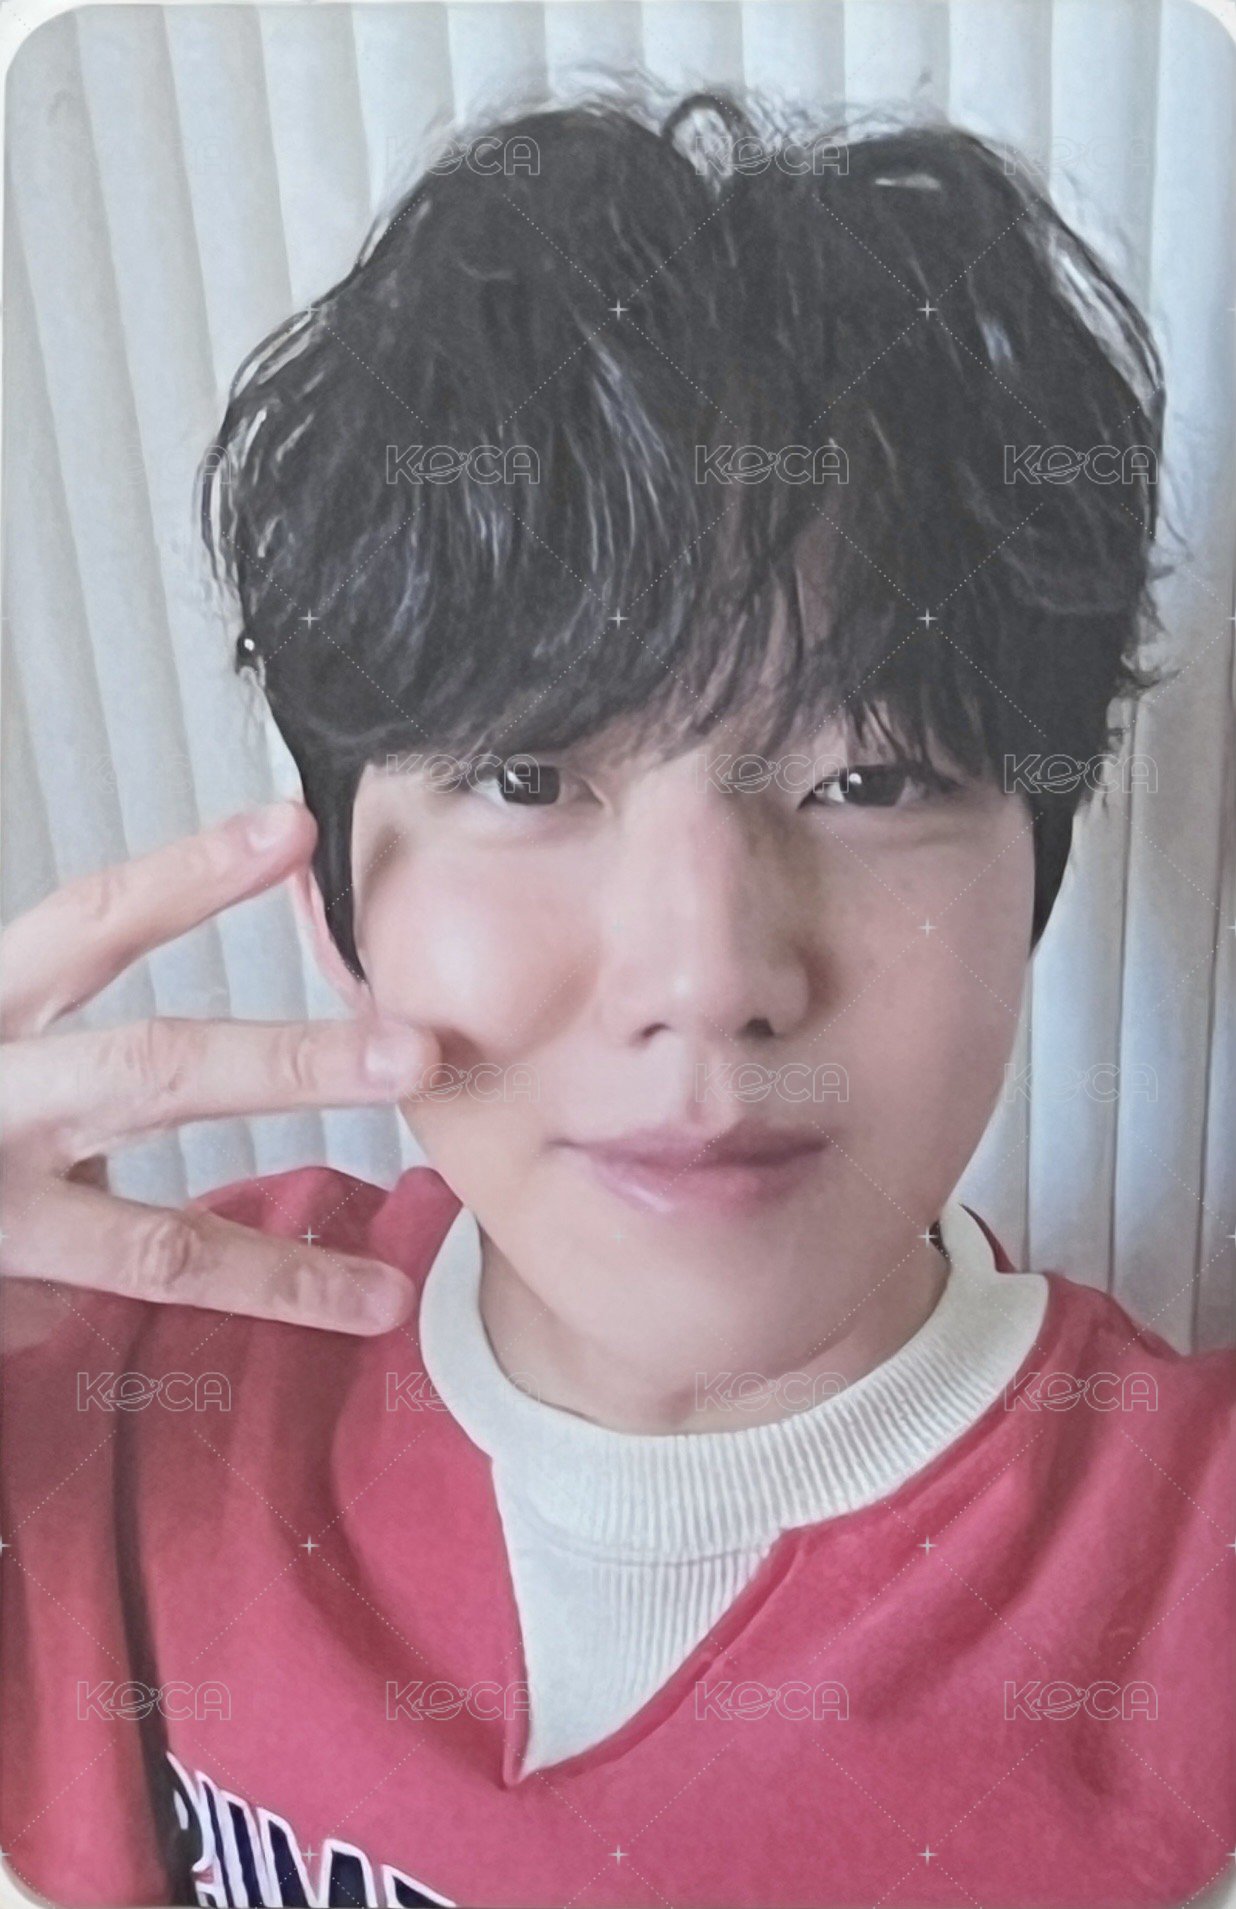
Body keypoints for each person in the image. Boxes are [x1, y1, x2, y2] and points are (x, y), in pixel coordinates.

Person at [0, 90, 1231, 1909]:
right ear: (336, 899)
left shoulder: (1194, 1596)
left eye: (871, 779)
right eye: (526, 777)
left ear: (1033, 875)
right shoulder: (111, 1368)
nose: (709, 978)